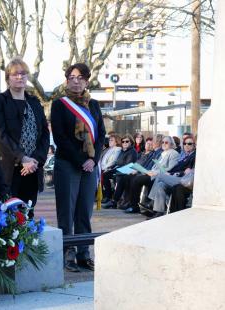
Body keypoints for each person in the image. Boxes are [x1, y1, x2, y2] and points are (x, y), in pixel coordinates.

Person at [50, 63, 106, 272]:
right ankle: (68, 255)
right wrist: (80, 160)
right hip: (68, 164)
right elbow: (60, 138)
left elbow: (101, 135)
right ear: (67, 80)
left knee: (84, 212)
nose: (76, 81)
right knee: (67, 212)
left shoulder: (94, 104)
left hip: (90, 165)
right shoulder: (59, 104)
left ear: (86, 81)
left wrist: (93, 159)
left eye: (80, 77)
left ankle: (84, 254)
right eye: (72, 77)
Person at [0, 57, 49, 217]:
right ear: (8, 78)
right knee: (6, 216)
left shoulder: (35, 102)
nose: (20, 77)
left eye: (23, 73)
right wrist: (22, 158)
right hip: (8, 169)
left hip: (32, 169)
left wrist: (35, 160)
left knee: (27, 215)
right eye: (15, 74)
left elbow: (44, 134)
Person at [124, 135, 180, 214]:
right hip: (153, 174)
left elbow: (170, 169)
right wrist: (149, 171)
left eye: (166, 142)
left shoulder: (174, 153)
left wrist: (154, 172)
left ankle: (142, 205)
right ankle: (133, 204)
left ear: (171, 144)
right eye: (163, 142)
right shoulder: (163, 153)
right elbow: (155, 166)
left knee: (137, 180)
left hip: (161, 175)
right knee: (133, 178)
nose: (164, 144)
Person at [145, 135, 196, 218]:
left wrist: (174, 173)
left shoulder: (194, 156)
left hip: (184, 180)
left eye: (189, 144)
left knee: (159, 175)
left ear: (194, 145)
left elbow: (188, 171)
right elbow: (176, 168)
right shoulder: (183, 156)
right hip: (176, 177)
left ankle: (151, 202)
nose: (186, 145)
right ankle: (158, 212)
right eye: (185, 143)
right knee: (161, 185)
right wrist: (171, 173)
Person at [101, 134, 138, 209]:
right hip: (119, 169)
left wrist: (116, 170)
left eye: (127, 141)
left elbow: (129, 165)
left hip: (127, 171)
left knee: (119, 178)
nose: (124, 143)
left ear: (131, 142)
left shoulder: (132, 152)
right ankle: (108, 196)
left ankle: (114, 201)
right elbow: (117, 163)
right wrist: (110, 168)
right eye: (123, 141)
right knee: (105, 174)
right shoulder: (122, 151)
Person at [99, 133, 122, 203]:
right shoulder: (108, 149)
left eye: (112, 140)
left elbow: (113, 161)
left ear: (116, 142)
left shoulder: (117, 149)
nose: (109, 141)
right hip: (103, 168)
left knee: (105, 175)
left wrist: (104, 168)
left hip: (109, 168)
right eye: (109, 140)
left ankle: (107, 196)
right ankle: (101, 195)